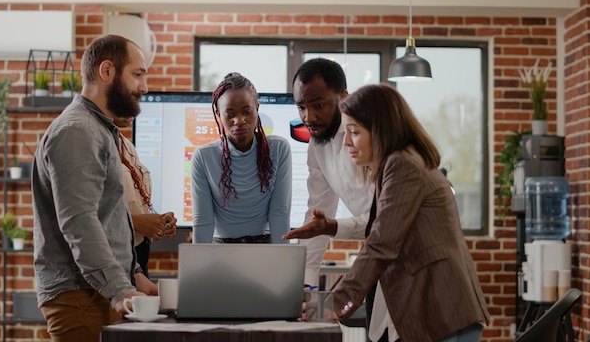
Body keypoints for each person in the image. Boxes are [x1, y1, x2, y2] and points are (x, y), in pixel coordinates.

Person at [294, 83, 490, 341]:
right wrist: (331, 227)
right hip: (436, 310)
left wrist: (332, 303)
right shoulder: (397, 163)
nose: (347, 141)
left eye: (353, 131)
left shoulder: (402, 165)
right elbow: (382, 229)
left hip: (443, 309)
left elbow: (381, 243)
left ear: (379, 130)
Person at [32, 34, 158, 342]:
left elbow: (107, 217)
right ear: (106, 72)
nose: (143, 87)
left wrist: (135, 274)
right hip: (81, 296)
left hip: (94, 292)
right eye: (137, 74)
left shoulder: (100, 130)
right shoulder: (77, 131)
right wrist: (120, 289)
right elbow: (79, 220)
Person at [285, 58, 373, 287]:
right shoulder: (317, 147)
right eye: (301, 107)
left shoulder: (372, 137)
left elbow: (389, 219)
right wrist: (305, 280)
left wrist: (332, 226)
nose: (309, 118)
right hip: (380, 249)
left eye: (318, 106)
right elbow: (318, 211)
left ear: (344, 97)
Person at [190, 72, 292, 244]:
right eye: (230, 114)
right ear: (218, 114)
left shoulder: (279, 149)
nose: (239, 120)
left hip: (264, 246)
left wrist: (281, 262)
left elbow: (280, 212)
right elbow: (202, 220)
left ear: (257, 108)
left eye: (246, 111)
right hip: (221, 249)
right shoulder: (203, 157)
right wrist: (199, 266)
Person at [114, 119, 178, 277]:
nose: (142, 92)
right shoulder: (87, 141)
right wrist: (135, 222)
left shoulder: (125, 144)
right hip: (114, 265)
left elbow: (133, 200)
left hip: (136, 257)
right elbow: (85, 217)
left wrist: (159, 220)